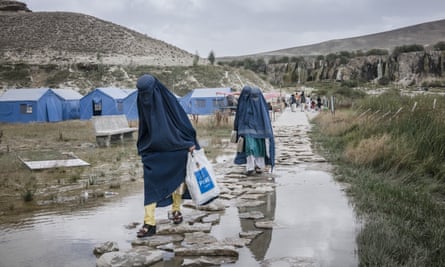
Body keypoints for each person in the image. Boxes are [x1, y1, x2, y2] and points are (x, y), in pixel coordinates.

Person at [135, 74, 200, 238]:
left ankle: (176, 210)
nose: (145, 97)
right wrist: (143, 147)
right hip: (153, 150)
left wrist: (190, 143)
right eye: (142, 93)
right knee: (150, 186)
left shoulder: (168, 101)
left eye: (147, 93)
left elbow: (182, 122)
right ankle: (149, 223)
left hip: (175, 147)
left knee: (177, 180)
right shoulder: (143, 100)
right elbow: (145, 127)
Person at [233, 85, 275, 175]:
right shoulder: (247, 104)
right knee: (250, 148)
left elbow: (266, 119)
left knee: (259, 149)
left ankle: (259, 166)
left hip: (260, 132)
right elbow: (239, 117)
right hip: (249, 130)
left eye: (256, 96)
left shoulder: (261, 106)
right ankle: (250, 167)